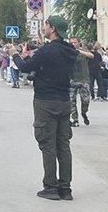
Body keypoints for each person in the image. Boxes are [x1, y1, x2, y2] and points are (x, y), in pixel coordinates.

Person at [15, 15, 78, 200]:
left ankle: (50, 187)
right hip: (64, 100)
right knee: (64, 145)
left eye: (46, 25)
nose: (44, 27)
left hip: (45, 101)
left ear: (53, 29)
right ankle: (65, 188)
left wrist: (14, 55)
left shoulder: (47, 51)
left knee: (47, 144)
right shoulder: (70, 51)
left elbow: (25, 67)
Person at [70, 40, 94, 126]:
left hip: (84, 79)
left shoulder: (83, 51)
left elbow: (92, 56)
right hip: (72, 79)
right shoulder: (68, 51)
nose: (73, 44)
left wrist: (79, 51)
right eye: (71, 43)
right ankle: (75, 119)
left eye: (75, 42)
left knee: (85, 100)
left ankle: (84, 113)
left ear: (78, 43)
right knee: (71, 101)